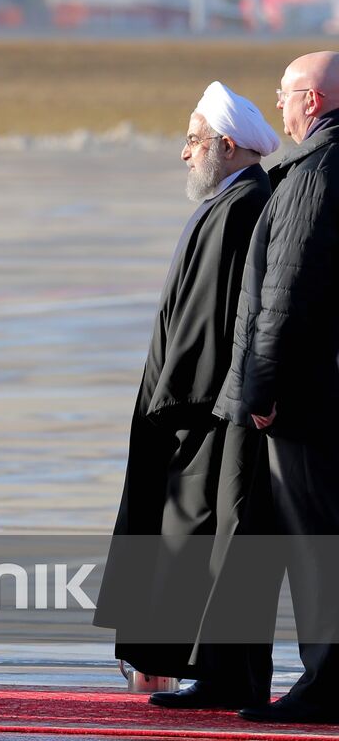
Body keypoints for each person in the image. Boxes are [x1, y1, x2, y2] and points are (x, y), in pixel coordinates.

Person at [93, 82, 277, 710]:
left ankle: (221, 675)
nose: (184, 153)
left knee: (200, 538)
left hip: (203, 412)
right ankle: (216, 673)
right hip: (201, 406)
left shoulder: (242, 206)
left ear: (228, 146)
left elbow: (209, 323)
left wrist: (171, 403)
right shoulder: (232, 199)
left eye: (194, 140)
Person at [214, 51, 339, 724]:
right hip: (323, 386)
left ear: (312, 101)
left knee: (317, 546)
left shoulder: (316, 172)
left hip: (306, 396)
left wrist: (260, 391)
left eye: (286, 95)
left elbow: (285, 295)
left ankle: (325, 683)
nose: (282, 107)